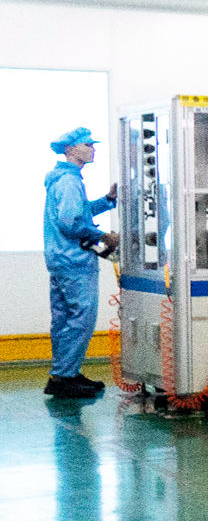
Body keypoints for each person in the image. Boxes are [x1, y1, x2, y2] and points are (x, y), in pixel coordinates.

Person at [43, 127, 118, 399]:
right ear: (71, 149)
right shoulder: (69, 182)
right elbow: (72, 222)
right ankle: (65, 376)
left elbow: (80, 212)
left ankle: (65, 373)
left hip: (60, 259)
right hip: (74, 261)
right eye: (87, 145)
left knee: (63, 319)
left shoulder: (63, 178)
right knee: (81, 319)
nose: (92, 149)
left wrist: (108, 201)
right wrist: (103, 236)